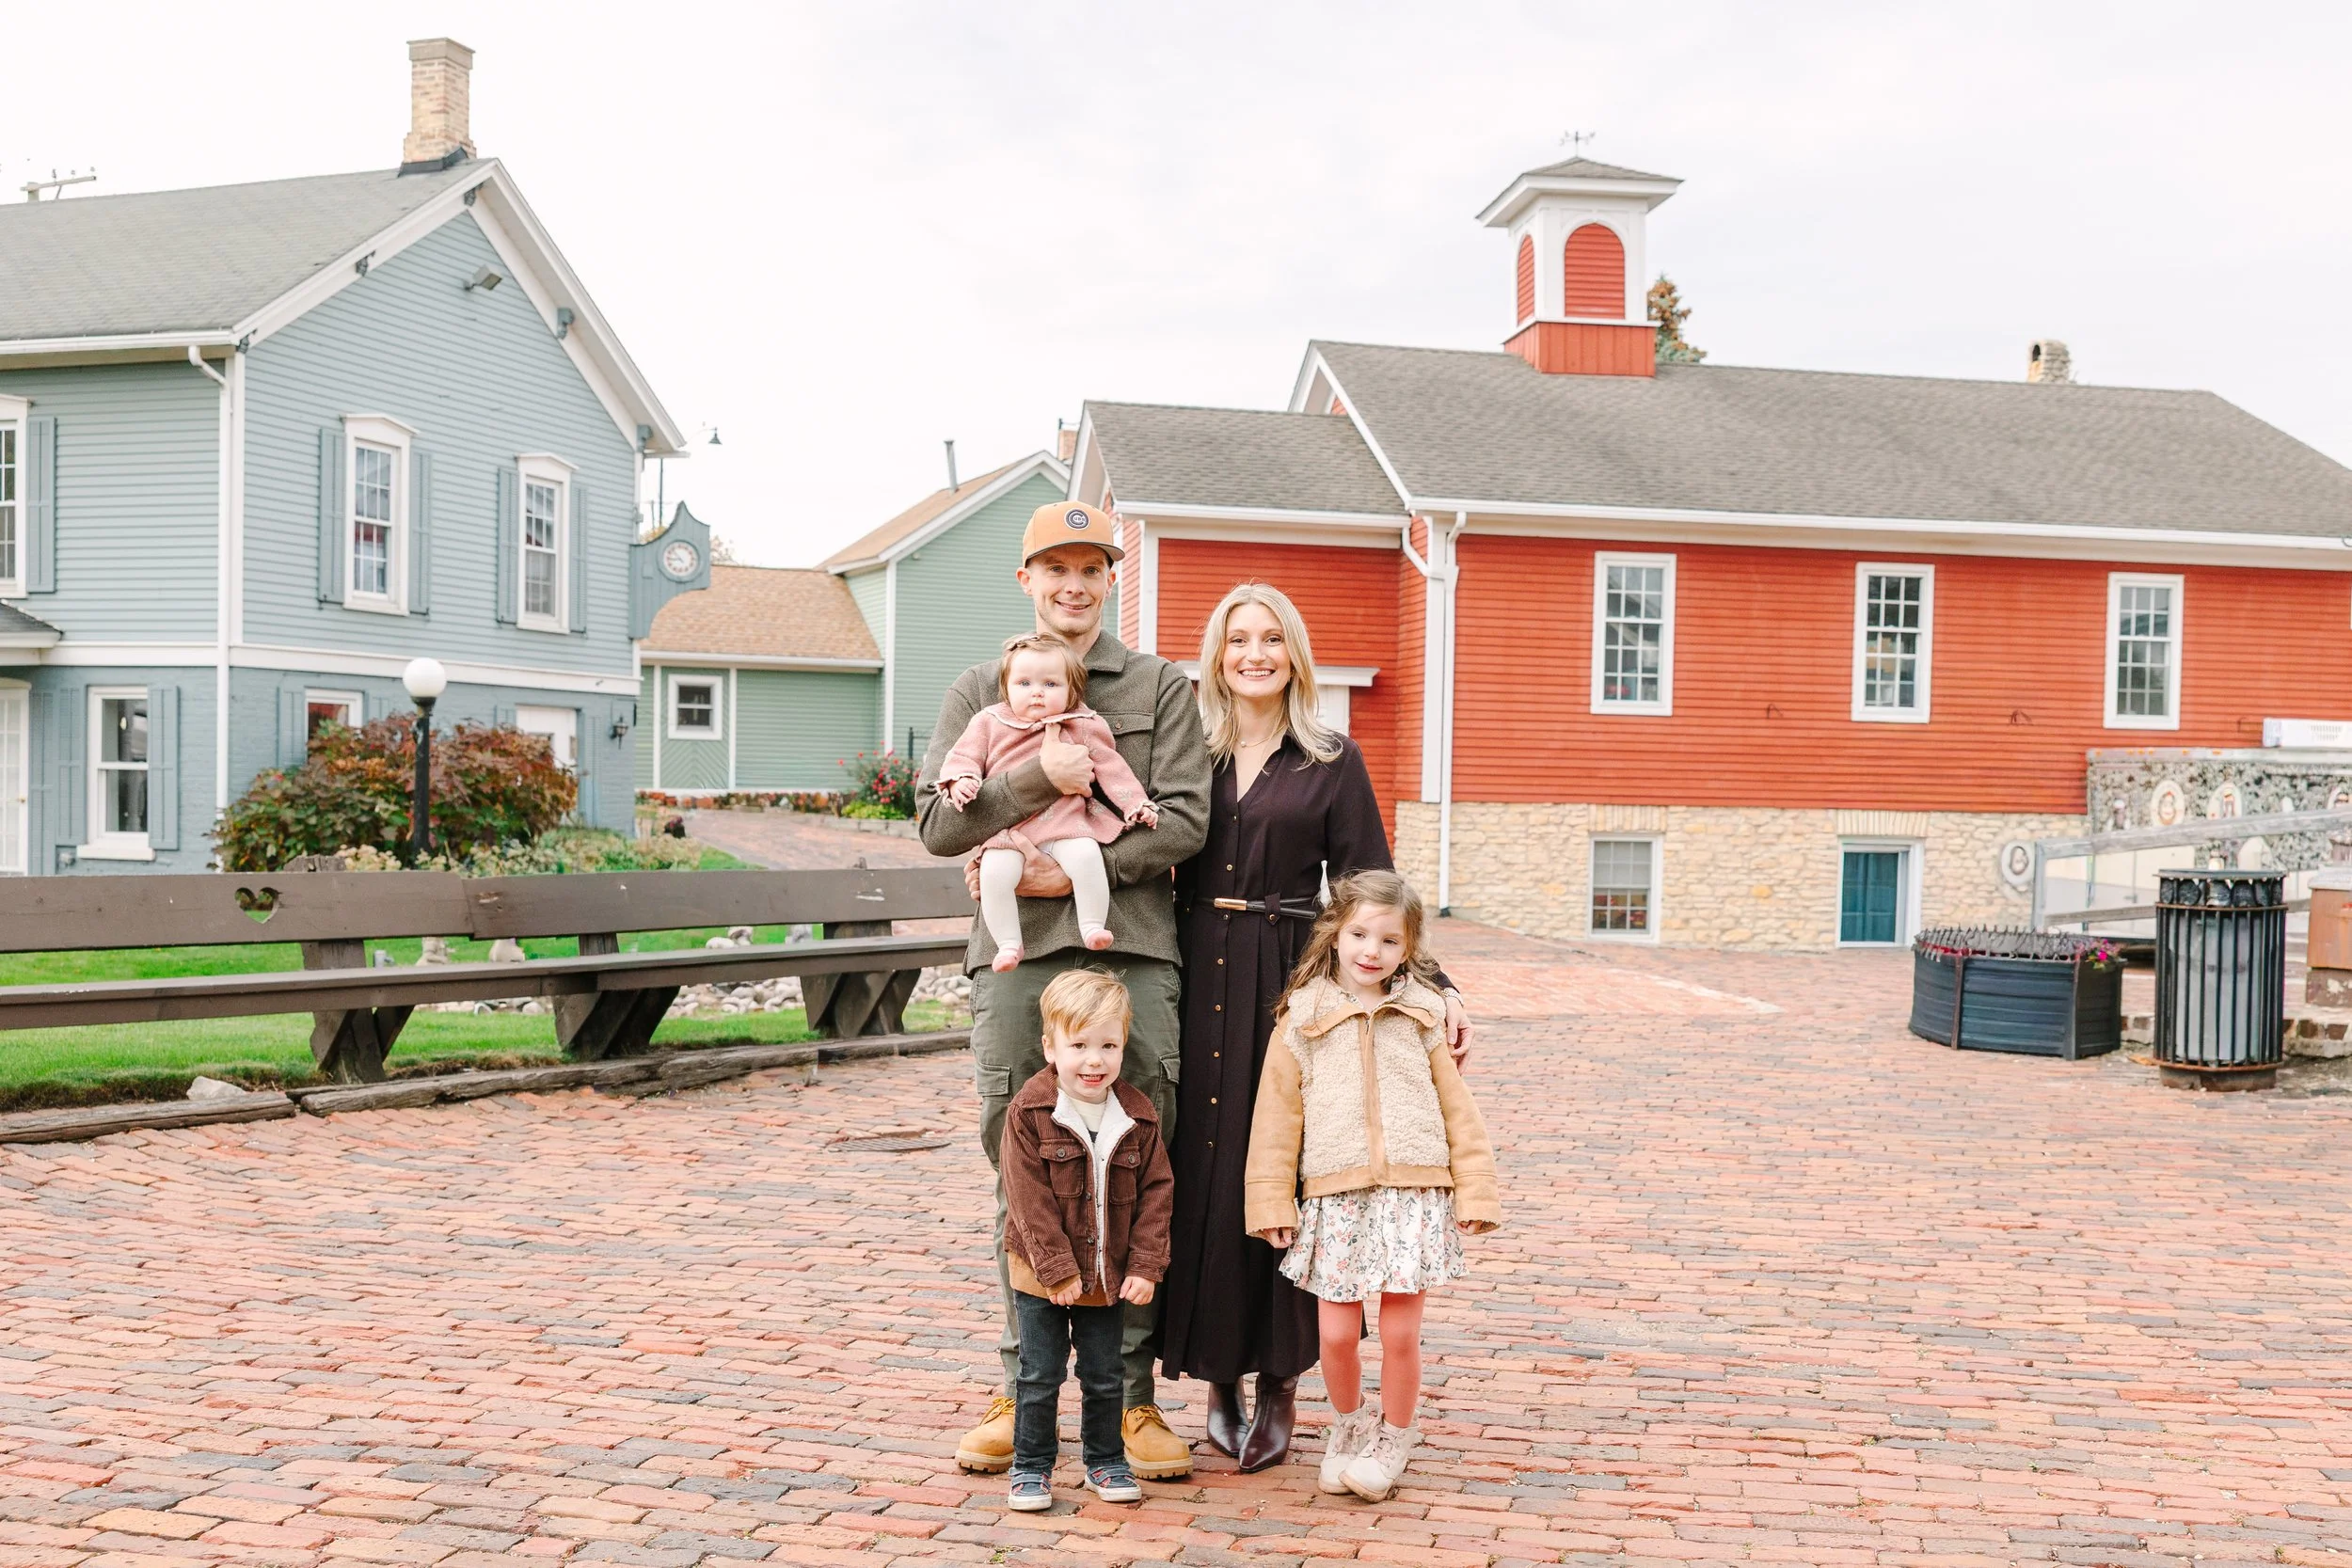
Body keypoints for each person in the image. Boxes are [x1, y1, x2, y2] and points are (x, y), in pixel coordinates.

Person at [917, 499, 1210, 1481]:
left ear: (1109, 578)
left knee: (1134, 1161)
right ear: (1026, 581)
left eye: (1091, 567)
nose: (1073, 585)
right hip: (1018, 962)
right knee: (1022, 1162)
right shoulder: (980, 688)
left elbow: (1182, 821)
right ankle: (1024, 1384)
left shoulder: (1159, 687)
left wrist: (1076, 867)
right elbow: (938, 829)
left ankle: (1128, 1404)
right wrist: (1030, 784)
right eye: (1055, 568)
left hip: (1127, 949)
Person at [1159, 581, 1474, 1472]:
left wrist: (1435, 983)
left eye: (1270, 639)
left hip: (1296, 970)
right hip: (1197, 963)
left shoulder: (1332, 755)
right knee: (1214, 1168)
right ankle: (1217, 1372)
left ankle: (1283, 1382)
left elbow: (1374, 882)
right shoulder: (1193, 751)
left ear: (1293, 654)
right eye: (1236, 639)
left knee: (1298, 1174)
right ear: (1217, 654)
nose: (1253, 653)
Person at [1244, 869, 1501, 1501]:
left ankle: (1395, 1435)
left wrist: (1476, 1190)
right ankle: (1350, 1426)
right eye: (1359, 933)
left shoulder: (1422, 1013)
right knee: (1334, 1333)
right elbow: (1276, 1117)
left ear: (1407, 948)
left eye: (1388, 941)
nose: (1371, 950)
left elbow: (1456, 1106)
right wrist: (1272, 1197)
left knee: (1400, 1333)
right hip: (1335, 1195)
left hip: (1413, 1193)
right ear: (1334, 933)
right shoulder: (1302, 1017)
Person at [998, 968, 1175, 1512]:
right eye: (1078, 1045)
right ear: (1050, 1046)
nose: (1094, 1060)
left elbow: (1156, 1194)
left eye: (1108, 1045)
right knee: (1039, 1374)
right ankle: (1031, 1467)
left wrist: (1146, 1266)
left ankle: (1106, 1459)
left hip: (1108, 1274)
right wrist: (1056, 1270)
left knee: (1104, 1375)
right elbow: (1027, 1198)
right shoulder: (1030, 1112)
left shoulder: (1138, 1118)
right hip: (1041, 1274)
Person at [941, 633, 1160, 969]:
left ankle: (1092, 925)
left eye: (1051, 684)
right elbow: (964, 756)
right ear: (1007, 687)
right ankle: (1008, 944)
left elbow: (1112, 768)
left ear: (1072, 691)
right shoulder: (989, 721)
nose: (1037, 692)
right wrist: (962, 780)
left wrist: (1135, 804)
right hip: (1009, 833)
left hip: (1065, 824)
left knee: (1088, 857)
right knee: (995, 875)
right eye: (1024, 683)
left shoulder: (1082, 724)